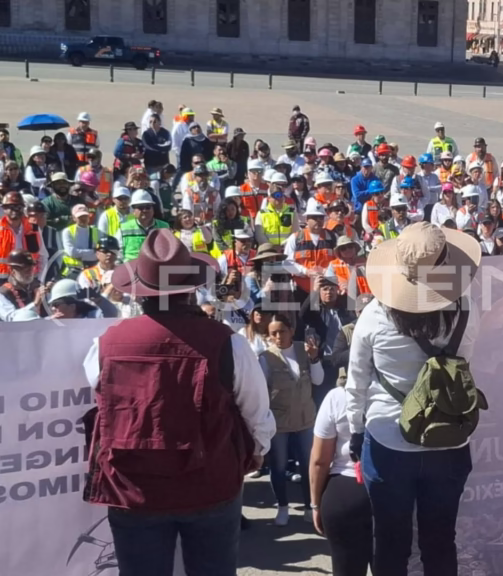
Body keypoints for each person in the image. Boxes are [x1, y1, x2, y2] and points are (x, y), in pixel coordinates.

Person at [81, 229, 274, 576]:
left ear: (140, 291)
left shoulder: (106, 344)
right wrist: (256, 451)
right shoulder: (226, 342)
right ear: (189, 289)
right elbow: (256, 410)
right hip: (210, 485)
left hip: (134, 490)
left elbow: (98, 389)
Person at [346, 222, 483, 576]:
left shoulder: (374, 315)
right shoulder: (467, 309)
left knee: (390, 544)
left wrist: (355, 431)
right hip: (449, 441)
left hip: (389, 443)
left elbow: (356, 384)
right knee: (440, 542)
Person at [259, 313, 323, 526]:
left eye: (282, 331)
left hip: (305, 419)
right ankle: (283, 507)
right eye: (273, 333)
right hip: (280, 422)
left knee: (307, 465)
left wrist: (314, 358)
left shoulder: (304, 350)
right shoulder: (266, 358)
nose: (278, 337)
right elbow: (261, 391)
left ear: (291, 331)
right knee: (278, 466)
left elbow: (318, 380)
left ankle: (309, 506)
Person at [310, 384, 373, 576]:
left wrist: (315, 504)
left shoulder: (336, 397)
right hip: (394, 490)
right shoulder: (404, 387)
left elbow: (320, 460)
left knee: (346, 568)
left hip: (345, 492)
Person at [284, 202, 336, 297]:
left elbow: (340, 261)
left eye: (321, 218)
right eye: (314, 217)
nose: (318, 221)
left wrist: (328, 271)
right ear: (307, 219)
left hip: (326, 290)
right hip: (302, 290)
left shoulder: (332, 237)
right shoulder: (295, 238)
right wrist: (306, 271)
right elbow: (287, 263)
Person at [118, 190, 171, 261]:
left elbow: (170, 250)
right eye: (140, 207)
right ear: (133, 210)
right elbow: (118, 252)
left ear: (153, 209)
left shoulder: (164, 227)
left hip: (156, 265)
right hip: (131, 266)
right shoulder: (124, 228)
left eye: (148, 207)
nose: (145, 210)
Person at [255, 176, 298, 246]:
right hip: (268, 249)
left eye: (281, 195)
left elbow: (295, 233)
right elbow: (259, 235)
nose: (279, 198)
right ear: (269, 198)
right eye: (276, 195)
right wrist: (271, 247)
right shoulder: (261, 213)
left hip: (286, 248)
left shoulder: (291, 212)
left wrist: (283, 245)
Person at [61, 204, 100, 276]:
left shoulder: (96, 231)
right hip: (72, 271)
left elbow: (99, 253)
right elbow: (72, 252)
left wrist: (80, 254)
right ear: (74, 218)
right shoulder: (67, 231)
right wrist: (92, 252)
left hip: (91, 270)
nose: (83, 219)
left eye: (85, 216)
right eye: (80, 217)